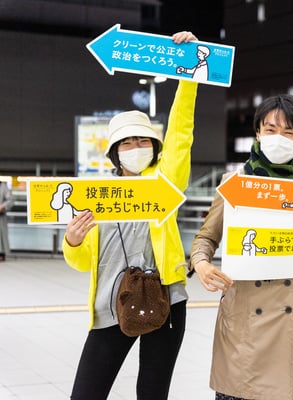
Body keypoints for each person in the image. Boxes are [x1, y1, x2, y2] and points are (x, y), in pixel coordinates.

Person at [61, 30, 199, 400]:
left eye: (142, 140)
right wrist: (72, 240)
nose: (135, 147)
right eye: (126, 142)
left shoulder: (165, 182)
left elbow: (181, 132)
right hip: (111, 303)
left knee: (152, 393)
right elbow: (81, 261)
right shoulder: (96, 195)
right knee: (86, 393)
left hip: (166, 301)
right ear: (114, 152)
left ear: (154, 146)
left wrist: (189, 75)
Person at [189, 94, 293, 400]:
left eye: (288, 132)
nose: (278, 138)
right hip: (245, 321)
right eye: (271, 129)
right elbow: (206, 238)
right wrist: (201, 263)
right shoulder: (234, 183)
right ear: (258, 133)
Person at [0, 181, 14, 261]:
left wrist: (2, 206)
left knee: (1, 235)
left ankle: (1, 253)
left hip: (0, 217)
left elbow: (10, 200)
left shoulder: (3, 186)